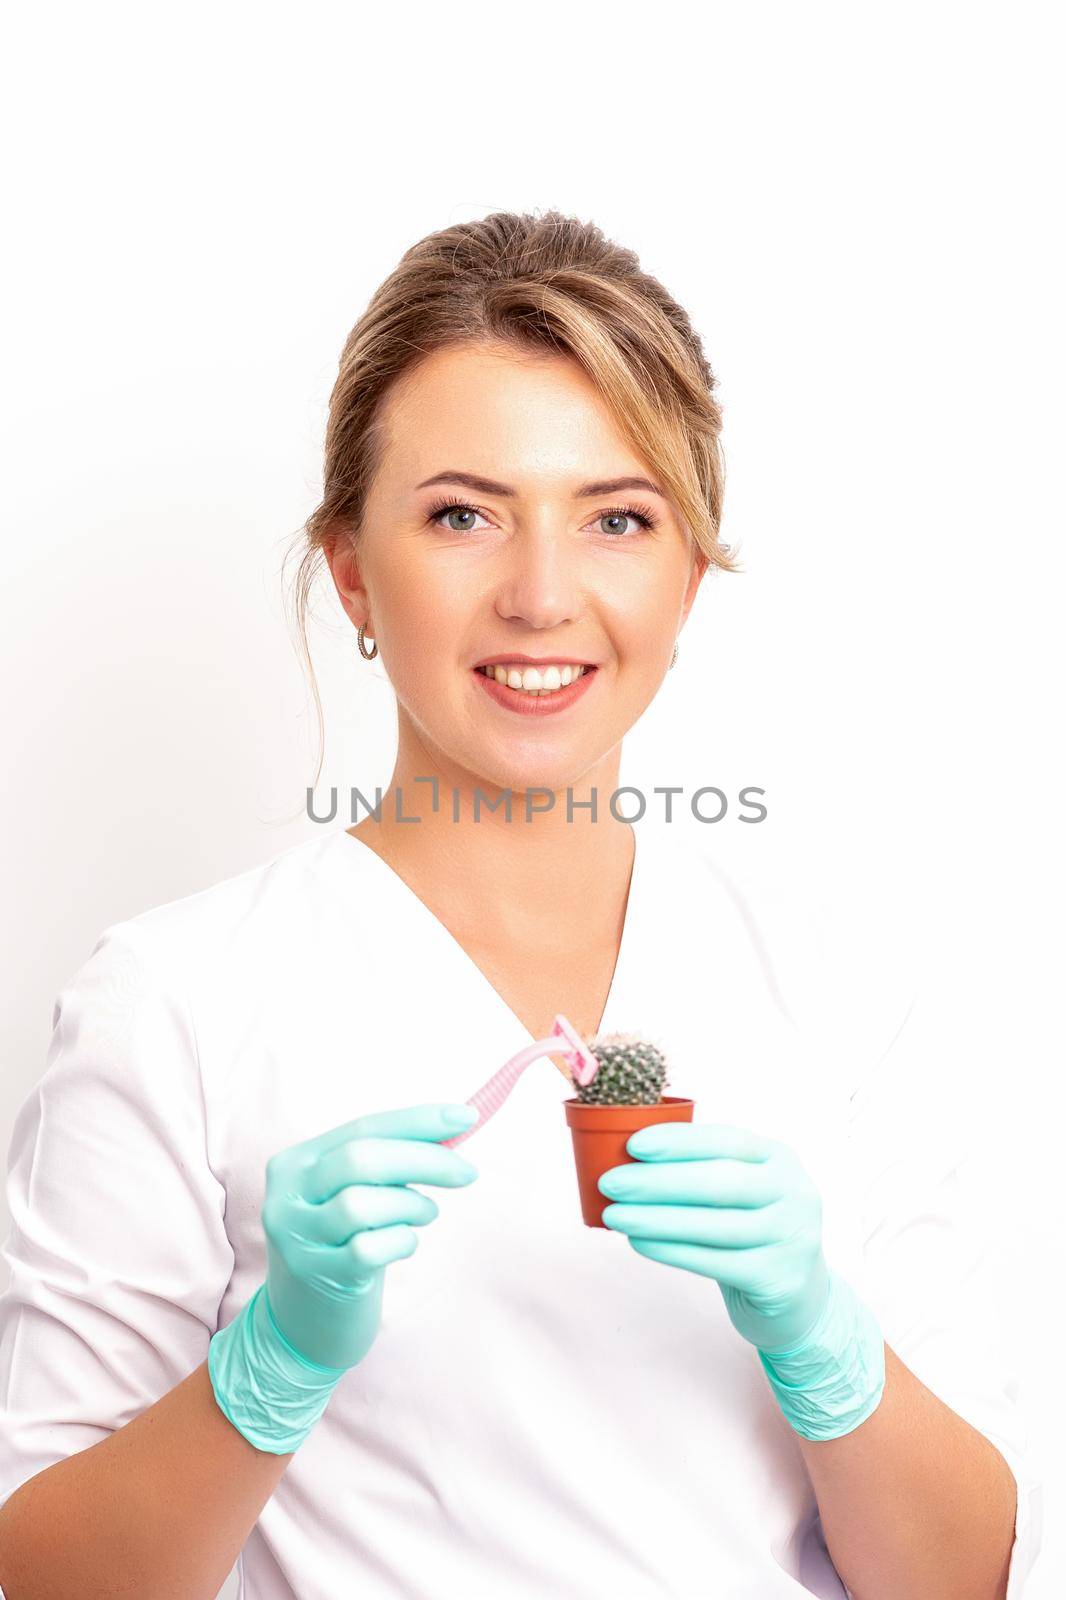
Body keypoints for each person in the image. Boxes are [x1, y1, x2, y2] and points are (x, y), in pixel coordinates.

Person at [0, 210, 1042, 1599]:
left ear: (689, 574)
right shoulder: (178, 1001)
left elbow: (959, 1576)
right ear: (355, 572)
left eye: (616, 518)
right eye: (460, 515)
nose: (542, 595)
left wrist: (822, 1342)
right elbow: (46, 1577)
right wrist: (272, 1370)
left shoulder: (838, 988)